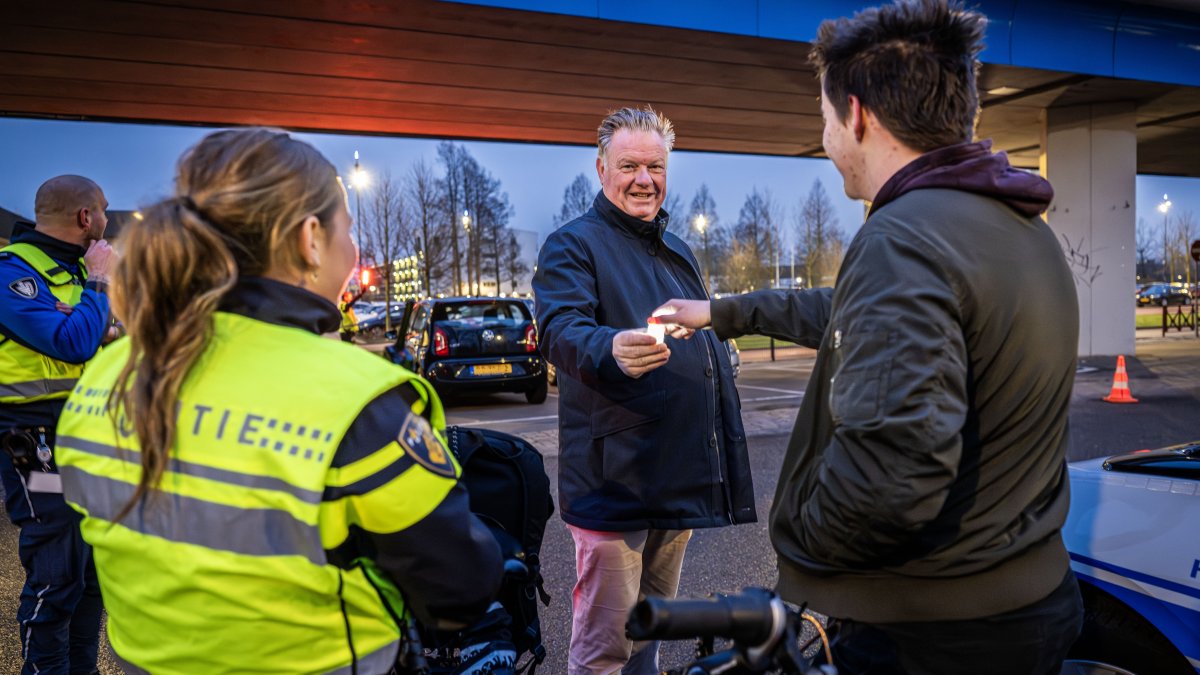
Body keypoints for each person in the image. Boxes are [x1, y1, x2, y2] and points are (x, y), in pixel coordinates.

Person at [656, 2, 1083, 672]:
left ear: (857, 115)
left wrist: (802, 547)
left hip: (929, 630)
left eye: (824, 119)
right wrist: (723, 311)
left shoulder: (903, 238)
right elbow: (851, 311)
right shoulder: (1016, 225)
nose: (825, 140)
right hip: (1027, 598)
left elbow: (891, 476)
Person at [54, 128, 504, 674]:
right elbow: (458, 589)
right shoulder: (353, 399)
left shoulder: (105, 376)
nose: (354, 248)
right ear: (310, 238)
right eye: (349, 229)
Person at [533, 107, 756, 675]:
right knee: (606, 647)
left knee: (651, 632)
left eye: (655, 166)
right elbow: (560, 330)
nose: (644, 179)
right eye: (629, 165)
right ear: (602, 168)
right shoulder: (572, 245)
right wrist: (609, 348)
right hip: (616, 483)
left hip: (674, 473)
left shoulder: (677, 248)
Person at [0, 175, 116, 674]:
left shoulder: (69, 272)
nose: (108, 221)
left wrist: (97, 321)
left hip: (81, 439)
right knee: (57, 573)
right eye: (105, 211)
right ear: (85, 217)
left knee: (90, 580)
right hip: (31, 443)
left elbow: (99, 335)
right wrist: (97, 289)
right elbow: (71, 342)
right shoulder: (12, 272)